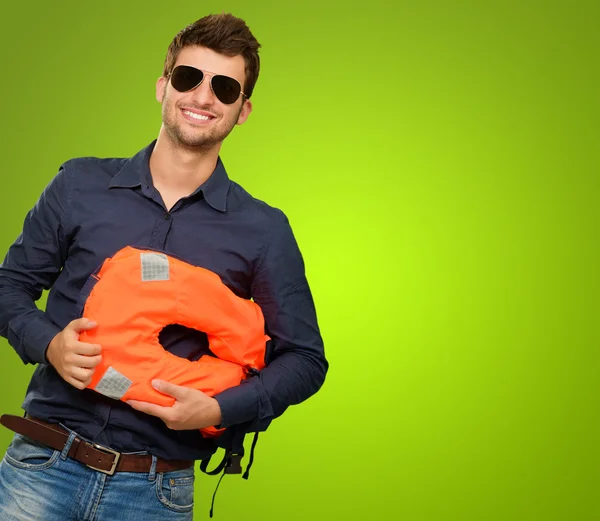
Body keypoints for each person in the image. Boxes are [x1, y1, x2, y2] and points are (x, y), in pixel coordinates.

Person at [0, 12, 327, 521]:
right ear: (162, 86)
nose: (202, 97)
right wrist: (49, 345)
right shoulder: (79, 185)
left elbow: (305, 360)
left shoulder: (263, 230)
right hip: (41, 469)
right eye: (188, 77)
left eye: (224, 88)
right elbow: (9, 286)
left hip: (156, 492)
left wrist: (219, 410)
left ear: (242, 110)